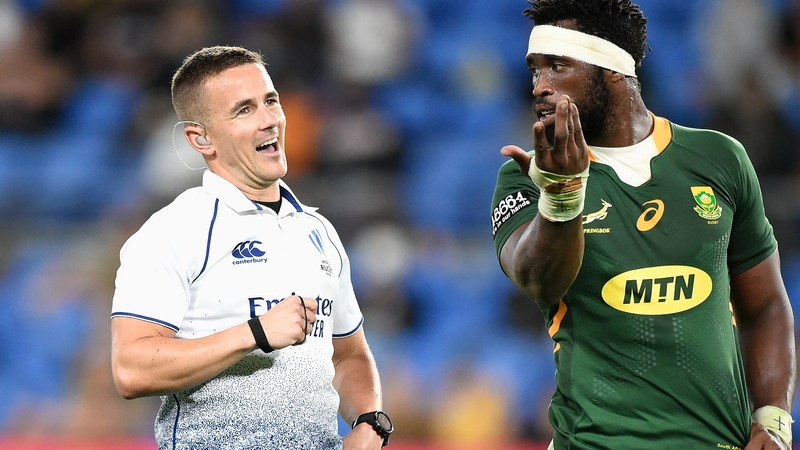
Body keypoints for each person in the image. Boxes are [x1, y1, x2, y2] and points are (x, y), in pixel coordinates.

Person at [491, 1, 796, 449]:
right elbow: (537, 279)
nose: (539, 86)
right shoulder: (528, 175)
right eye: (535, 70)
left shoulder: (719, 159)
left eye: (557, 66)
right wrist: (562, 195)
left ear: (613, 70)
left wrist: (773, 420)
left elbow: (766, 305)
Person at [110, 46, 393, 450]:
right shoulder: (173, 231)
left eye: (271, 100)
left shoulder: (319, 231)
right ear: (201, 138)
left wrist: (370, 422)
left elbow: (348, 355)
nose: (270, 120)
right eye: (244, 110)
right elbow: (131, 370)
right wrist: (255, 333)